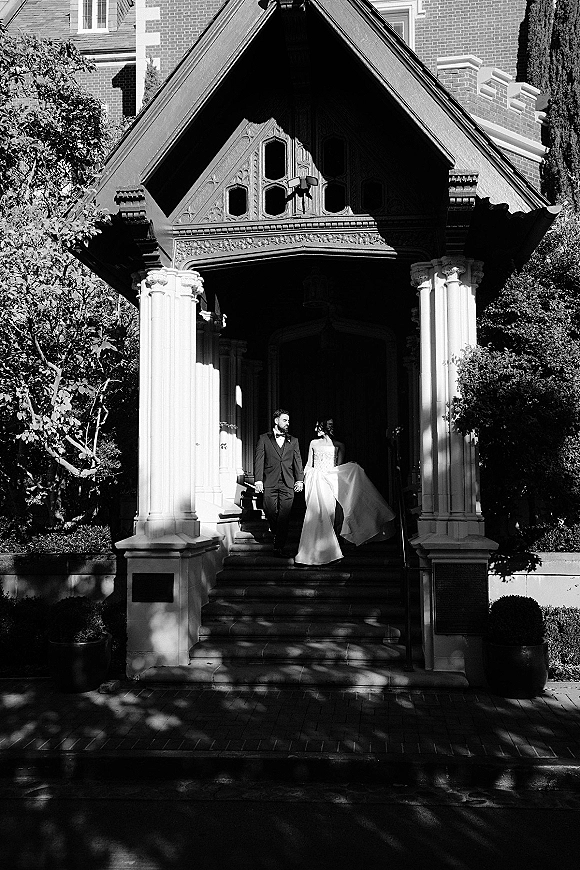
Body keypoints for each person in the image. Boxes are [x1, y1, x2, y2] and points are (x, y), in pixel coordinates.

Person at [295, 418, 395, 566]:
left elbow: (339, 467)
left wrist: (352, 469)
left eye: (330, 425)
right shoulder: (313, 443)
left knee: (329, 513)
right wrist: (303, 480)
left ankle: (327, 550)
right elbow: (309, 464)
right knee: (315, 515)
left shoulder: (339, 445)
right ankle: (310, 551)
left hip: (330, 480)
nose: (329, 428)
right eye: (326, 425)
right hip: (316, 481)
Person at [254, 409, 304, 556]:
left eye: (288, 421)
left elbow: (298, 461)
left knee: (284, 515)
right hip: (269, 481)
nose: (287, 423)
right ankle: (276, 530)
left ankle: (279, 545)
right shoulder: (263, 439)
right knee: (269, 510)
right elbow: (259, 460)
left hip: (288, 483)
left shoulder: (293, 441)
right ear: (276, 421)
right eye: (285, 420)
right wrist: (258, 480)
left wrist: (300, 479)